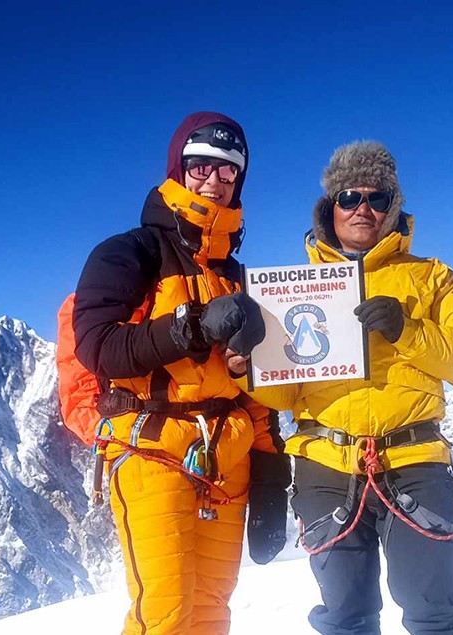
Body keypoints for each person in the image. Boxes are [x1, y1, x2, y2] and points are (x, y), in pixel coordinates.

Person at [226, 141, 453, 635]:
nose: (362, 208)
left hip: (414, 461)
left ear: (394, 207)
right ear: (330, 207)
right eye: (350, 197)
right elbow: (288, 396)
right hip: (324, 467)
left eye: (377, 198)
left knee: (440, 612)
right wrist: (247, 371)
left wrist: (407, 329)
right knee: (345, 617)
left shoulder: (432, 278)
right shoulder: (296, 287)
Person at [71, 112, 289, 635]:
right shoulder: (129, 253)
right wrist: (190, 328)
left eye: (228, 170)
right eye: (201, 166)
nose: (213, 180)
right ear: (179, 168)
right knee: (165, 616)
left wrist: (270, 478)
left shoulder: (236, 275)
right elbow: (96, 346)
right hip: (153, 451)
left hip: (228, 457)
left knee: (213, 611)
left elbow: (256, 392)